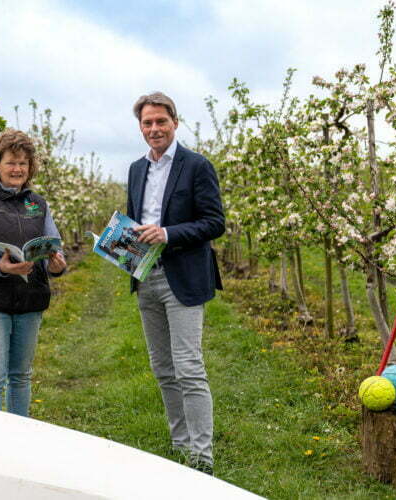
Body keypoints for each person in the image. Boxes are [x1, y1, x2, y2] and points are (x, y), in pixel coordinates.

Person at [126, 92, 225, 474]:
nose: (154, 129)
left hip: (182, 275)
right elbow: (136, 218)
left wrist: (167, 234)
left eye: (160, 122)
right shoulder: (137, 169)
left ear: (174, 123)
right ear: (141, 127)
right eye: (147, 123)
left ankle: (202, 457)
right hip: (146, 276)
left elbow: (214, 222)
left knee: (189, 367)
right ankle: (180, 446)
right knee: (163, 368)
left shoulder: (196, 166)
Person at [0, 128, 66, 417]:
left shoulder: (38, 203)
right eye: (11, 162)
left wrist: (57, 264)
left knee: (21, 376)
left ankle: (20, 440)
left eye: (23, 163)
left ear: (30, 167)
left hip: (29, 300)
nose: (17, 169)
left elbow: (53, 244)